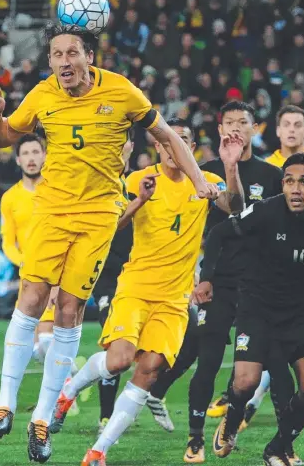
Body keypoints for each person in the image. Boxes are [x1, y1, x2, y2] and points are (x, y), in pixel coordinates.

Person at [0, 23, 218, 464]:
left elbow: (167, 135)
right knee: (31, 298)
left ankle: (43, 418)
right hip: (51, 209)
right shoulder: (41, 94)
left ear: (90, 56)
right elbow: (4, 139)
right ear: (49, 60)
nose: (64, 62)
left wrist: (200, 179)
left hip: (97, 216)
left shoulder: (123, 91)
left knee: (70, 310)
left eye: (73, 53)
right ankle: (5, 405)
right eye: (56, 55)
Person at [49, 117, 244, 466]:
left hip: (173, 298)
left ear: (191, 149)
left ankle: (99, 450)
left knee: (150, 369)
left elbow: (235, 207)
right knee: (120, 360)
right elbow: (110, 227)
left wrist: (230, 167)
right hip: (136, 288)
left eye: (183, 141)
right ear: (158, 145)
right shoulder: (139, 180)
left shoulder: (206, 183)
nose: (174, 147)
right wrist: (139, 201)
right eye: (169, 140)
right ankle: (67, 392)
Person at [147, 101, 284, 464]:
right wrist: (200, 275)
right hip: (215, 281)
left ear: (255, 129)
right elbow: (207, 227)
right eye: (229, 122)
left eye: (243, 122)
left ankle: (237, 419)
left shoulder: (272, 176)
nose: (236, 128)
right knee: (207, 360)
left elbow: (257, 222)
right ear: (220, 129)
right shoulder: (203, 171)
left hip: (259, 285)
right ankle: (195, 439)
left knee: (265, 364)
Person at [194, 153, 304, 466]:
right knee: (245, 382)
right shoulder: (265, 210)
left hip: (301, 312)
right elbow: (219, 232)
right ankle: (233, 419)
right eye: (289, 181)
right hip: (257, 306)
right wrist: (206, 279)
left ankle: (278, 446)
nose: (296, 188)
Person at [50, 137, 135, 435]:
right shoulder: (90, 185)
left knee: (149, 357)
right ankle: (105, 417)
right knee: (115, 345)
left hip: (141, 276)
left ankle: (78, 392)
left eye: (123, 144)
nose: (118, 148)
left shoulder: (140, 183)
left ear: (131, 149)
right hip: (104, 276)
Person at [0, 134, 57, 363]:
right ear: (17, 160)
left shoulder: (56, 192)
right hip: (28, 279)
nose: (31, 158)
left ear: (44, 156)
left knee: (45, 341)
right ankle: (73, 379)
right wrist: (23, 261)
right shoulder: (10, 198)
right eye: (25, 153)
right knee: (32, 350)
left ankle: (69, 388)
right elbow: (7, 241)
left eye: (35, 152)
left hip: (55, 277)